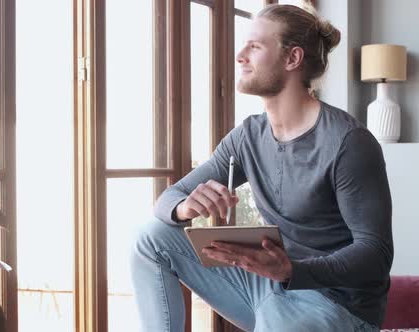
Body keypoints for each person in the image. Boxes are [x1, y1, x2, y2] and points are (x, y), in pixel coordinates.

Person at [131, 4, 393, 332]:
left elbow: (376, 253)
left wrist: (292, 271)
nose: (240, 55)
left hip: (334, 303)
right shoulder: (247, 137)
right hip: (266, 285)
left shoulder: (349, 142)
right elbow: (167, 199)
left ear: (292, 59)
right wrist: (186, 206)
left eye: (255, 46)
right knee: (150, 237)